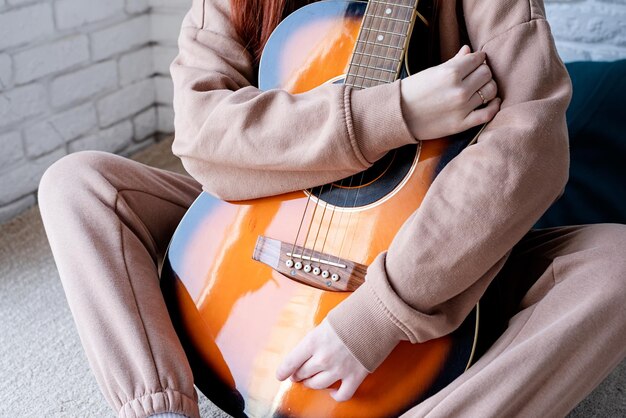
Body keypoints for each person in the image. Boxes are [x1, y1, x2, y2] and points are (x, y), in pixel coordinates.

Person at [38, 0, 626, 417]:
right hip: (259, 220)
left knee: (616, 264)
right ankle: (163, 410)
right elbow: (201, 135)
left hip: (434, 250)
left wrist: (378, 314)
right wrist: (396, 112)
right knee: (77, 184)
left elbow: (531, 147)